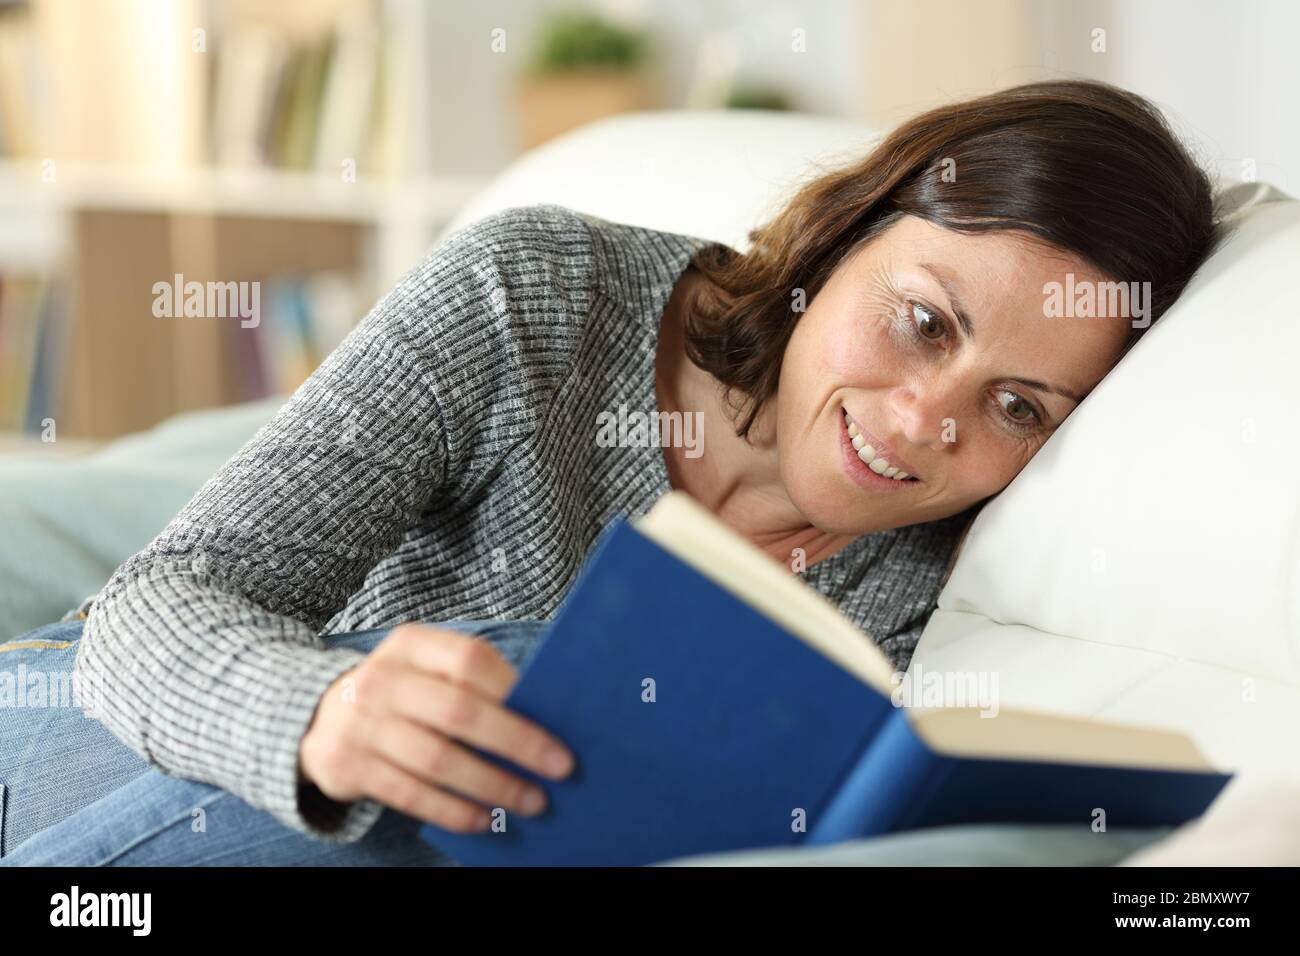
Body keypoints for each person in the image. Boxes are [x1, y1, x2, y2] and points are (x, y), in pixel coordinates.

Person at [0, 79, 1219, 866]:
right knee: (552, 691)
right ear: (842, 236)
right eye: (921, 322)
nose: (918, 423)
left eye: (1016, 405)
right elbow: (153, 609)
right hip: (89, 726)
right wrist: (318, 715)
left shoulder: (933, 578)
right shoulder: (534, 297)